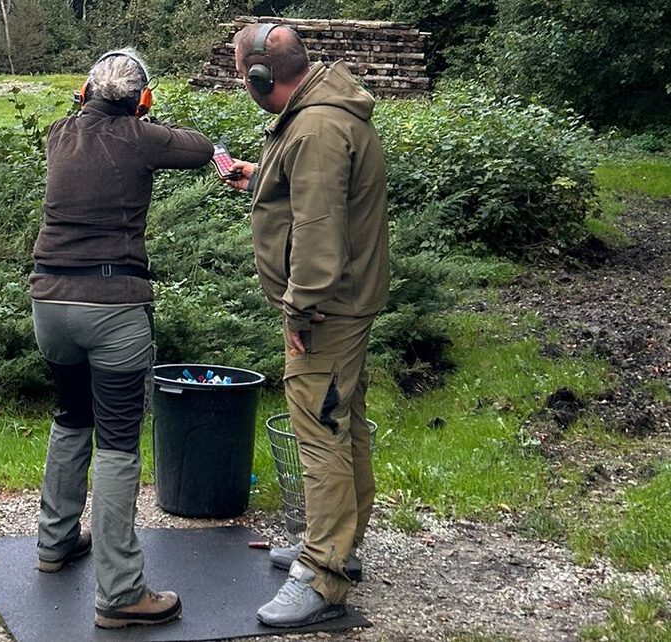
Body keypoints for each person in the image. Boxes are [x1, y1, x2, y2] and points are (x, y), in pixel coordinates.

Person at [30, 48, 213, 629]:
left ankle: (54, 543)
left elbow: (89, 116)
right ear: (142, 100)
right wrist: (146, 118)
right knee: (116, 442)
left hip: (49, 302)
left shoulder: (60, 133)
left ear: (83, 95)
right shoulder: (142, 137)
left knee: (70, 415)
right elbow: (202, 148)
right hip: (113, 308)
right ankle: (121, 593)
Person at [222, 23, 389, 627]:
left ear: (261, 76)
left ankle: (323, 575)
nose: (242, 81)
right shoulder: (320, 109)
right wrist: (257, 179)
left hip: (325, 309)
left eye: (242, 72)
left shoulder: (316, 128)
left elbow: (319, 231)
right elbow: (310, 200)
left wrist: (299, 306)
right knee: (342, 423)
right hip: (344, 302)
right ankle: (339, 545)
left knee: (319, 433)